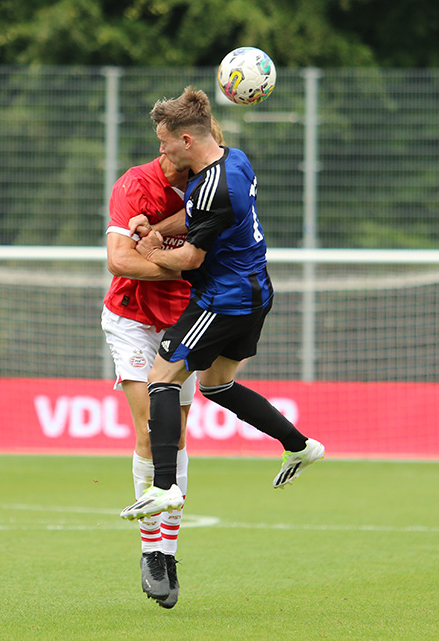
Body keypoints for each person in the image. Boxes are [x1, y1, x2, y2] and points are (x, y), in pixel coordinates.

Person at [119, 86, 325, 530]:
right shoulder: (235, 158)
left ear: (186, 141)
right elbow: (195, 217)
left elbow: (190, 258)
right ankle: (300, 445)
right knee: (217, 385)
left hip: (224, 298)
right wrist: (155, 226)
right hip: (256, 292)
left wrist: (152, 248)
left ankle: (165, 486)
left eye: (164, 141)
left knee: (163, 376)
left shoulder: (214, 187)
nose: (161, 149)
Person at [101, 118, 224, 610]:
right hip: (130, 316)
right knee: (152, 429)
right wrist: (174, 263)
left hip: (184, 319)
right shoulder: (136, 184)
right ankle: (151, 553)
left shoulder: (212, 187)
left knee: (176, 436)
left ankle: (167, 552)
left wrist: (162, 254)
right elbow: (118, 260)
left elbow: (206, 257)